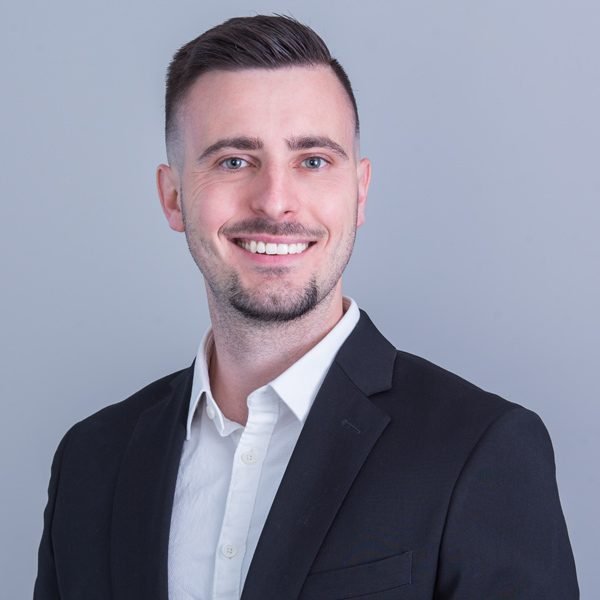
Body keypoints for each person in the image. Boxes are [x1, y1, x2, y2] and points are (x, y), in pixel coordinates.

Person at [34, 14, 578, 600]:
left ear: (359, 192)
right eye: (233, 161)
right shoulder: (91, 462)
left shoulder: (480, 449)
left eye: (313, 160)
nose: (275, 201)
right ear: (173, 197)